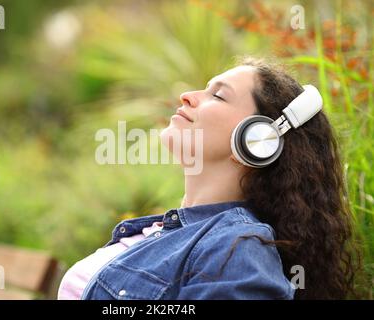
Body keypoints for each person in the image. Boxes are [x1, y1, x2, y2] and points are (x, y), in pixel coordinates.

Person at [58, 57, 358, 300]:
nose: (186, 96)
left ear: (258, 140)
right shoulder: (167, 232)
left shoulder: (236, 252)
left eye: (217, 95)